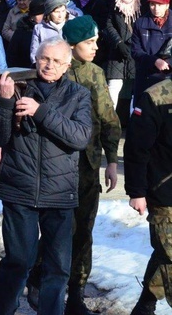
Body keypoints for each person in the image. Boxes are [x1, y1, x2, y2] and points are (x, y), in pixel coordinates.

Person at [0, 38, 92, 315]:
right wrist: (2, 101)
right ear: (35, 58)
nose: (49, 65)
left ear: (67, 65)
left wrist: (40, 111)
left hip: (59, 192)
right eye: (44, 58)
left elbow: (80, 137)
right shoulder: (17, 87)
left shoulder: (78, 94)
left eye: (57, 61)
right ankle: (5, 309)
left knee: (57, 266)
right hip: (19, 188)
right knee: (19, 260)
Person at [57, 16, 121, 314]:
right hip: (58, 168)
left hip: (88, 167)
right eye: (89, 42)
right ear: (72, 45)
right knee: (58, 229)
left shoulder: (95, 73)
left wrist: (111, 161)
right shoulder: (56, 71)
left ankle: (76, 293)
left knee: (84, 230)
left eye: (96, 41)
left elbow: (109, 119)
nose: (95, 47)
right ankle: (46, 284)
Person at [125, 72, 172, 315]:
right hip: (163, 193)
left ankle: (144, 306)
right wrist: (137, 191)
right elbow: (136, 148)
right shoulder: (155, 97)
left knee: (167, 254)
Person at [105, 0, 144, 108]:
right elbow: (109, 24)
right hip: (118, 49)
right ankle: (110, 122)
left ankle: (134, 123)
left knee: (137, 89)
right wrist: (118, 42)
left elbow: (145, 24)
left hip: (138, 49)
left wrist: (134, 44)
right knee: (113, 86)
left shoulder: (143, 0)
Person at [131, 0, 172, 103]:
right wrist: (154, 61)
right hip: (146, 75)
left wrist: (168, 63)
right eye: (153, 4)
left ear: (167, 5)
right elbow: (135, 51)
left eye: (160, 4)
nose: (156, 8)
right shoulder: (140, 23)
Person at [30, 0, 69, 65]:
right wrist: (38, 65)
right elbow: (34, 50)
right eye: (57, 12)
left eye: (63, 11)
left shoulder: (71, 24)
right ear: (49, 13)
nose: (60, 15)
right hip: (46, 66)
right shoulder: (39, 28)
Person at [6, 0, 45, 68]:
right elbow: (11, 56)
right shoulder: (22, 31)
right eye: (40, 14)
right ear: (32, 16)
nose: (44, 17)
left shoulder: (49, 29)